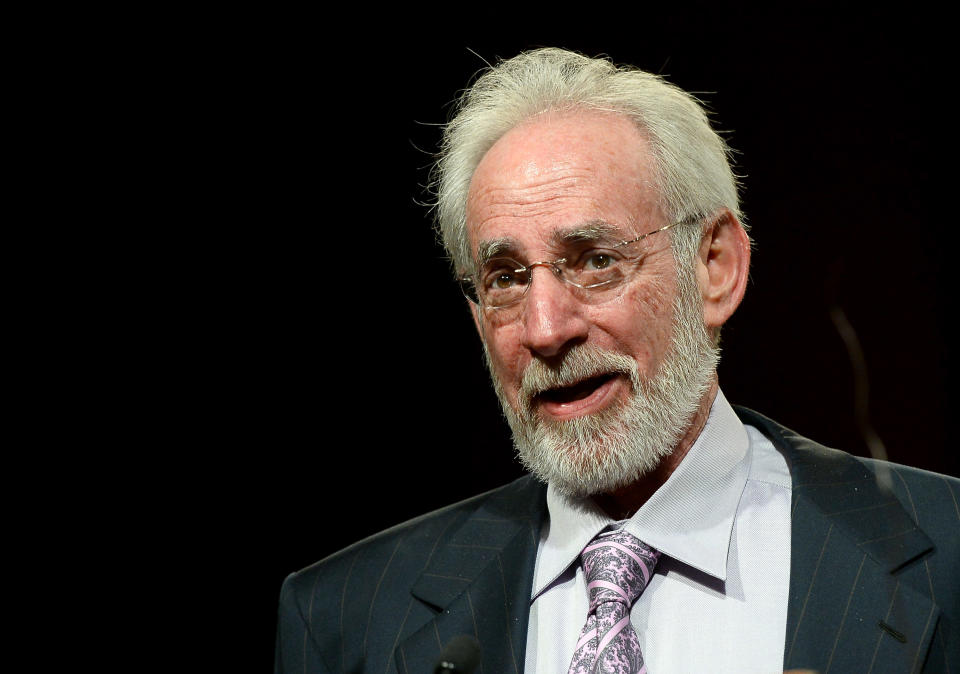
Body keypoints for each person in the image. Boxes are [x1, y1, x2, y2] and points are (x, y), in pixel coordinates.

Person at [275, 48, 958, 673]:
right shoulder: (343, 621)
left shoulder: (946, 552)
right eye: (507, 278)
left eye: (596, 261)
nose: (545, 331)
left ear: (714, 267)